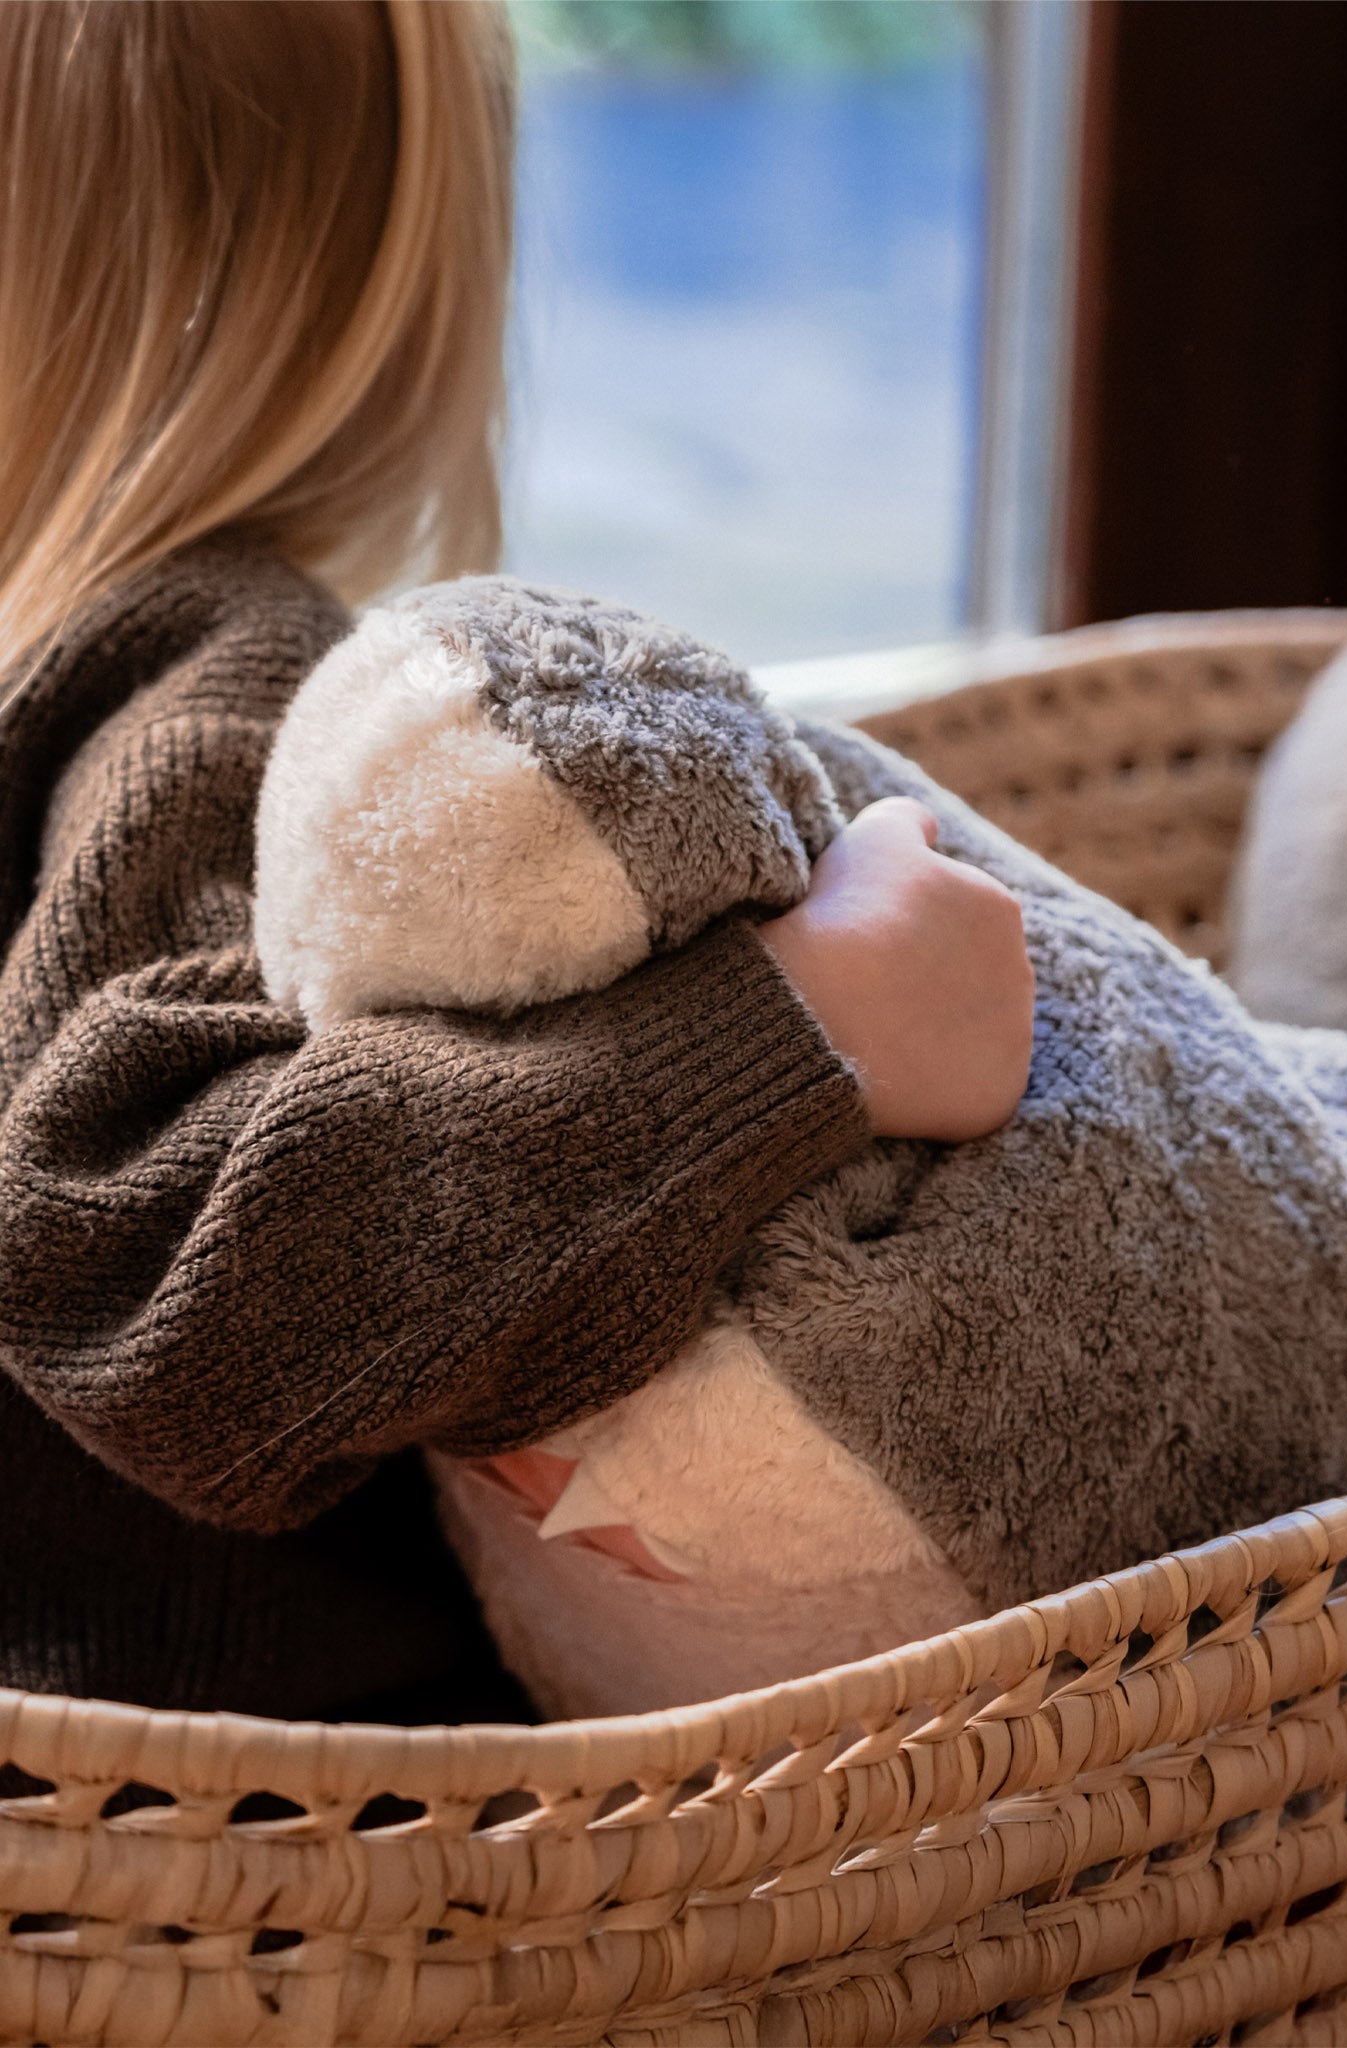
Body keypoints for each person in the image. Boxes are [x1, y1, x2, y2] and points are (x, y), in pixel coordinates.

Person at [0, 0, 1033, 1722]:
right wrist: (807, 1023)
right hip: (282, 1858)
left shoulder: (123, 684)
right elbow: (139, 1270)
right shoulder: (213, 687)